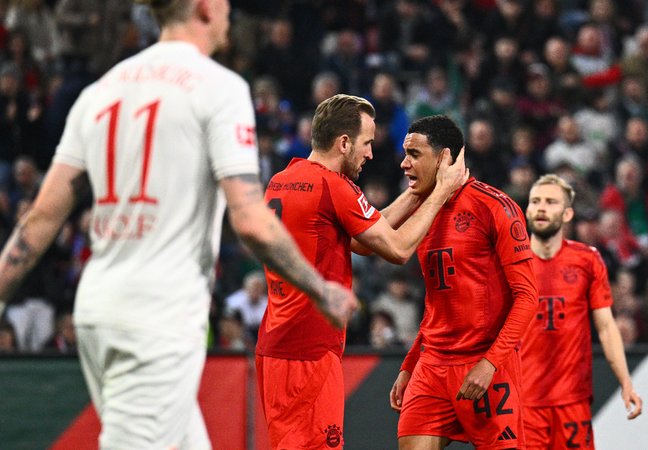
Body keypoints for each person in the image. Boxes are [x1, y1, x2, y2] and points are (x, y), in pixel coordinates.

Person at [0, 1, 358, 448]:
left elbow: (40, 218)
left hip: (98, 308)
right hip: (157, 316)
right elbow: (250, 219)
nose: (230, 12)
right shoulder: (219, 89)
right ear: (205, 8)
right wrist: (320, 288)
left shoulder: (101, 91)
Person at [257, 97, 467, 450]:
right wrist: (442, 191)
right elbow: (398, 248)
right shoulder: (333, 186)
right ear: (344, 143)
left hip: (275, 346)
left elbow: (362, 241)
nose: (370, 153)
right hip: (309, 350)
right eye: (366, 142)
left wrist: (416, 194)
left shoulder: (282, 180)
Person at [389, 115, 538, 449]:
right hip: (432, 365)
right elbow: (437, 300)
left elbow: (528, 296)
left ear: (444, 158)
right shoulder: (422, 212)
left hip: (486, 364)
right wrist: (411, 362)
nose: (404, 163)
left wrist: (490, 363)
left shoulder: (495, 207)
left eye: (414, 154)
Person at [522, 174, 642, 449]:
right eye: (535, 201)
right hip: (522, 401)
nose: (541, 208)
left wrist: (626, 381)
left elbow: (606, 327)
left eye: (551, 202)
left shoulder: (587, 260)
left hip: (572, 401)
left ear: (567, 214)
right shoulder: (509, 260)